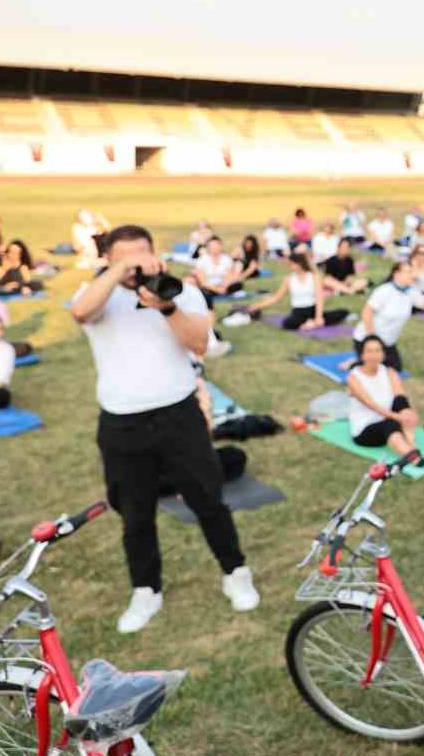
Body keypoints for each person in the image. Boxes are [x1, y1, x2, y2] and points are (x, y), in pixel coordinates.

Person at [69, 224, 257, 633]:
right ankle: (145, 590)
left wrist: (166, 306)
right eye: (125, 256)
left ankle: (235, 571)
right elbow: (80, 312)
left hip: (178, 415)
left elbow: (200, 344)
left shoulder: (178, 290)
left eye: (142, 254)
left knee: (208, 499)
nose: (137, 263)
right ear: (109, 260)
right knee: (135, 513)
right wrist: (119, 274)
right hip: (122, 421)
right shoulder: (99, 294)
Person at [346, 336, 423, 461]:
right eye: (369, 351)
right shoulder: (354, 378)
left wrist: (408, 414)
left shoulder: (389, 372)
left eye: (378, 351)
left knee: (404, 407)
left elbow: (400, 397)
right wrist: (398, 417)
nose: (374, 355)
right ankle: (412, 456)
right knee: (390, 424)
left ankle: (411, 444)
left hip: (388, 419)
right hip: (365, 430)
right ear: (362, 355)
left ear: (383, 354)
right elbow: (371, 404)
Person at [353, 261, 424, 371]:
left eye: (412, 272)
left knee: (396, 368)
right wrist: (373, 339)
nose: (412, 275)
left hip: (388, 342)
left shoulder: (411, 292)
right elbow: (366, 313)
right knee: (374, 369)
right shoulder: (384, 290)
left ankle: (359, 360)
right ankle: (357, 362)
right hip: (367, 338)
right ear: (396, 275)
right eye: (408, 272)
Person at [246, 252, 347, 330]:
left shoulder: (314, 277)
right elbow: (276, 297)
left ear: (299, 264)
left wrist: (318, 316)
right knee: (287, 324)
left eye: (291, 264)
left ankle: (312, 323)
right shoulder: (289, 279)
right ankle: (309, 324)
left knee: (343, 312)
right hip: (298, 312)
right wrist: (257, 306)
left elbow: (319, 297)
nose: (290, 266)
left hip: (312, 309)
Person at [190, 237, 242, 306]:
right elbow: (203, 281)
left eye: (217, 245)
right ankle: (219, 293)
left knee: (237, 284)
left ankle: (224, 292)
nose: (215, 248)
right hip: (208, 285)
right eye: (212, 246)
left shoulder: (226, 259)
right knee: (203, 291)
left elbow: (229, 275)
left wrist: (224, 286)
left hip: (223, 284)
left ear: (221, 246)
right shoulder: (202, 260)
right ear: (208, 247)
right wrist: (217, 289)